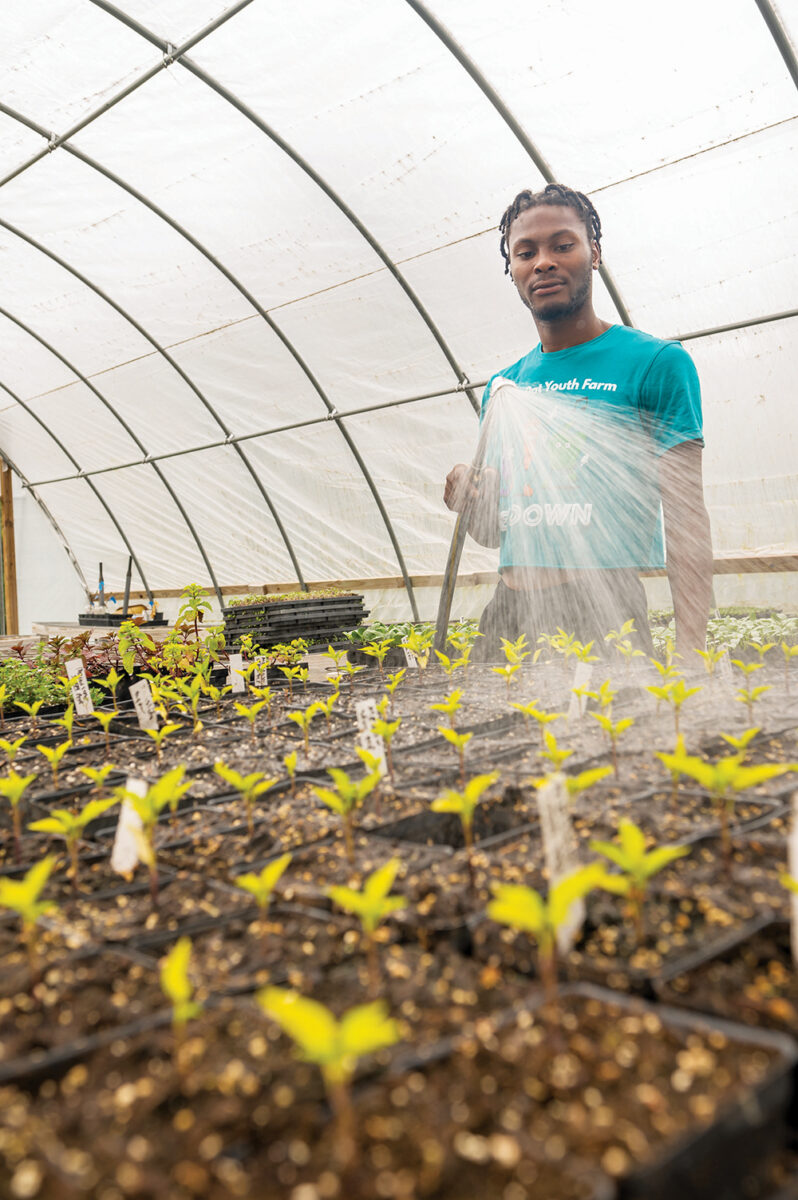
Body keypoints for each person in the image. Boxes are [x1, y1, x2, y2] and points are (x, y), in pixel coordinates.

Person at [444, 183, 712, 662]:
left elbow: (686, 520)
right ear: (513, 270)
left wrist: (692, 652)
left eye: (562, 245)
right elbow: (498, 531)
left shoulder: (654, 364)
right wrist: (469, 494)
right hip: (506, 616)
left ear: (595, 253)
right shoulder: (505, 386)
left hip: (601, 609)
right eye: (525, 252)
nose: (543, 261)